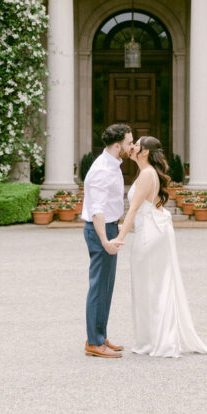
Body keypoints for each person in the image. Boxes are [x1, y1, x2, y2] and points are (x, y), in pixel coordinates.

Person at [116, 136, 207, 358]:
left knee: (151, 287)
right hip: (152, 232)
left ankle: (160, 341)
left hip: (149, 236)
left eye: (136, 145)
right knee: (152, 286)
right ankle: (152, 339)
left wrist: (119, 238)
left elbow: (133, 210)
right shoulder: (148, 173)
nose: (132, 147)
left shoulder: (147, 175)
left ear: (144, 153)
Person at [81, 122, 133, 358]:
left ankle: (99, 335)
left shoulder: (112, 164)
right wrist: (105, 240)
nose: (131, 147)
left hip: (109, 227)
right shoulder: (103, 169)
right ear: (116, 145)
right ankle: (94, 342)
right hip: (99, 230)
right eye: (129, 143)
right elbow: (97, 209)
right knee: (99, 287)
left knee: (106, 287)